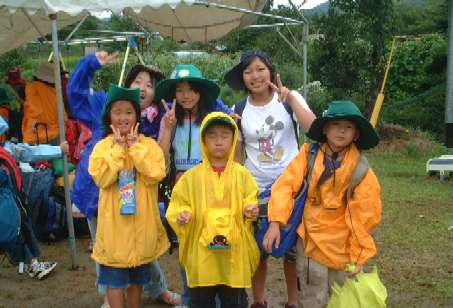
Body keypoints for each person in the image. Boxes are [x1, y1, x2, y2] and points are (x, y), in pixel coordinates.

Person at [67, 52, 181, 306]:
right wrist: (91, 63)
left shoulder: (150, 126)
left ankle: (157, 289)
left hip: (136, 202)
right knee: (106, 250)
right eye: (138, 81)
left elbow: (157, 162)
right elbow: (75, 94)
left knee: (142, 250)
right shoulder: (103, 108)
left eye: (150, 85)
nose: (143, 87)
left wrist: (167, 128)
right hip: (98, 196)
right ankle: (110, 298)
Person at [265, 100, 382, 307]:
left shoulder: (361, 170)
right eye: (336, 125)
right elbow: (285, 186)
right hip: (310, 245)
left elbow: (365, 216)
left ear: (356, 134)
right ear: (326, 128)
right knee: (311, 298)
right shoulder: (308, 155)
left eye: (348, 127)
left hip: (345, 251)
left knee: (340, 298)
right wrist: (275, 222)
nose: (341, 132)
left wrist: (359, 256)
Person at [224, 50, 316, 308]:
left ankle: (293, 302)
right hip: (257, 188)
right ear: (243, 78)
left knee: (291, 253)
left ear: (271, 71)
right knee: (258, 252)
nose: (255, 76)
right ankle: (258, 301)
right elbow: (238, 154)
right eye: (248, 71)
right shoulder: (239, 109)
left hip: (292, 189)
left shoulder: (289, 98)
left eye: (260, 69)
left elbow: (314, 127)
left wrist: (292, 100)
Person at [156, 64, 232, 307]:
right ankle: (190, 299)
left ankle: (218, 300)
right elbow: (160, 155)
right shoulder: (169, 119)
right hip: (180, 190)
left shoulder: (211, 120)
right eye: (179, 90)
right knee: (186, 248)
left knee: (215, 244)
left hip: (210, 190)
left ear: (200, 92)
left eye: (191, 90)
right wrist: (167, 128)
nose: (186, 95)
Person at [166, 112, 260, 308]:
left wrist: (249, 209)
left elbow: (250, 198)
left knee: (234, 301)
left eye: (224, 135)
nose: (219, 141)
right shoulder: (191, 177)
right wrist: (183, 214)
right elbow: (178, 204)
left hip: (233, 256)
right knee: (200, 300)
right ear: (203, 140)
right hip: (202, 257)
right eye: (212, 135)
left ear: (233, 139)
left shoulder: (243, 175)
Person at [88, 84, 168, 308]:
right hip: (114, 232)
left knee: (136, 282)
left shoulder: (148, 145)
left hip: (141, 231)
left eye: (129, 111)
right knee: (114, 283)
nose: (123, 117)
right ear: (109, 116)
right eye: (117, 111)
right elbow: (102, 179)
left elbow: (156, 174)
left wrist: (134, 148)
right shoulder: (102, 148)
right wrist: (117, 150)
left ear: (137, 115)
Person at [22, 62, 68, 144]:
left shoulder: (31, 88)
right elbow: (63, 118)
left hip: (33, 135)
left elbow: (32, 110)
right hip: (54, 136)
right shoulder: (56, 93)